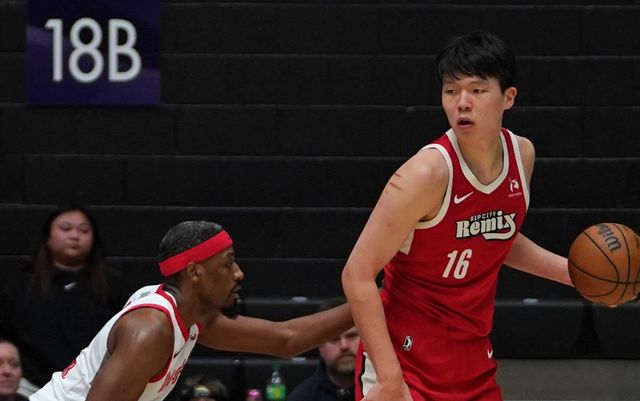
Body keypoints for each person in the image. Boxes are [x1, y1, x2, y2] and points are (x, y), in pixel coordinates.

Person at [341, 32, 573, 401]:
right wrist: (388, 378)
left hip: (471, 355)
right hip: (406, 358)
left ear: (508, 97)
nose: (462, 103)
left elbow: (496, 235)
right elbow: (356, 274)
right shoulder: (426, 174)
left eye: (477, 90)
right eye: (451, 91)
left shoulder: (522, 155)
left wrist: (575, 275)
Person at [30, 220, 353, 401]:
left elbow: (286, 339)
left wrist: (371, 301)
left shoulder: (194, 316)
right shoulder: (150, 329)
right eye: (228, 263)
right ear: (195, 272)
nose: (239, 273)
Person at [0, 205, 125, 396]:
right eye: (66, 228)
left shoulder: (112, 285)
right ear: (48, 237)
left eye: (84, 230)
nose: (75, 235)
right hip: (30, 388)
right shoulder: (20, 285)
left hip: (93, 389)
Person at [287, 298, 358, 401]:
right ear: (319, 345)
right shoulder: (302, 397)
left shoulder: (383, 389)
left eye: (351, 336)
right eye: (334, 339)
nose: (344, 346)